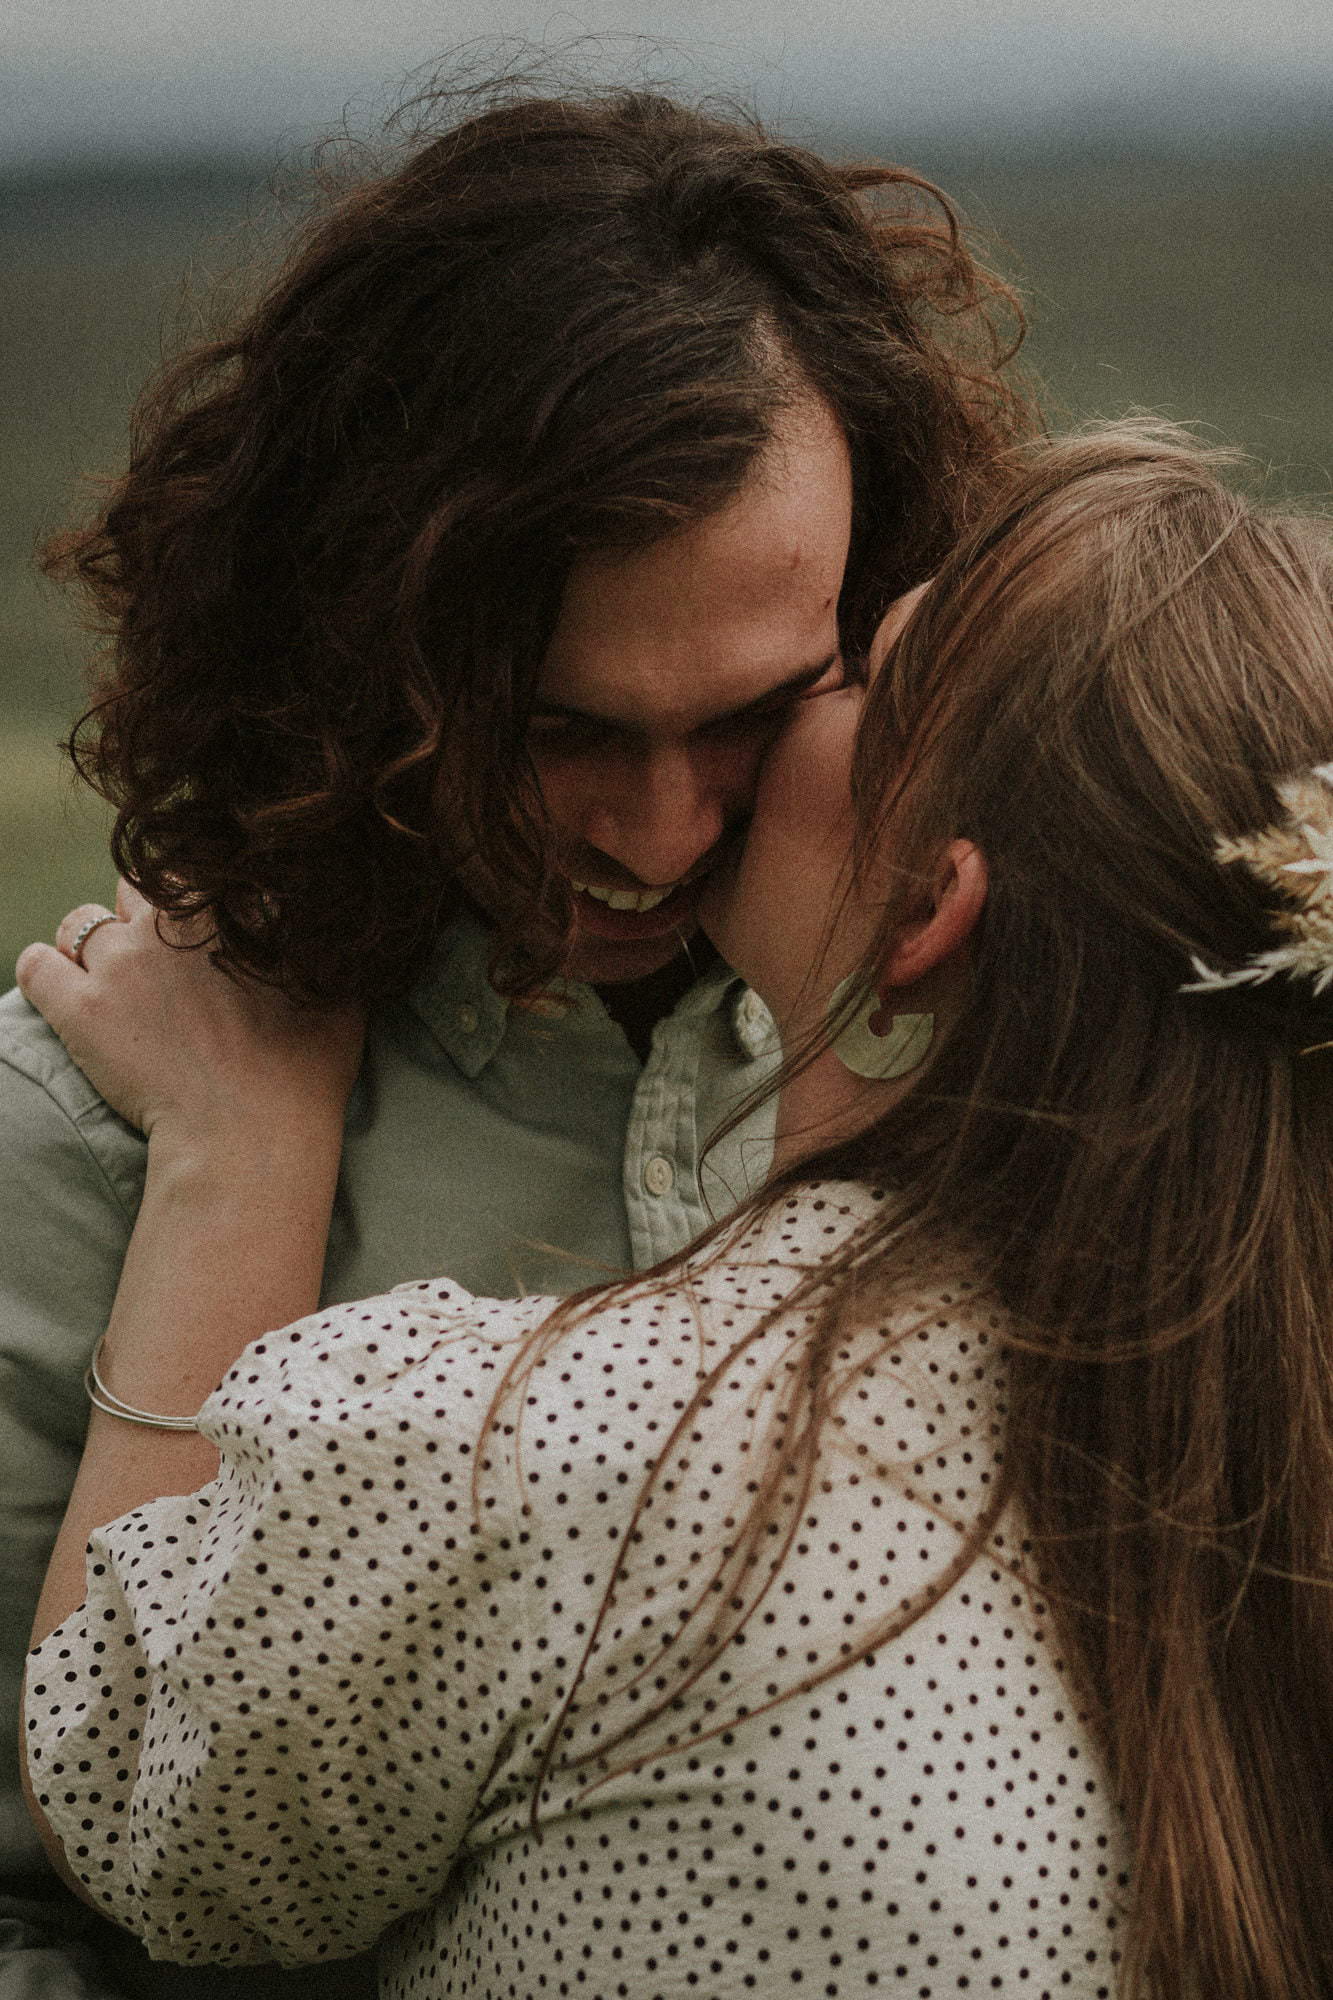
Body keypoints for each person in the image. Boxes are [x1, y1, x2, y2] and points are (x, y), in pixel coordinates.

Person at [19, 424, 1333, 1998]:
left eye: (848, 681)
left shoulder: (553, 1454)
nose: (713, 782)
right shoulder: (1260, 1424)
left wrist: (239, 1149)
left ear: (925, 907)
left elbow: (135, 1804)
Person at [0, 79, 1028, 2000]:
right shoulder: (71, 1132)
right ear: (349, 648)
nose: (655, 836)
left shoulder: (1042, 1059)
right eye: (554, 729)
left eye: (753, 708)